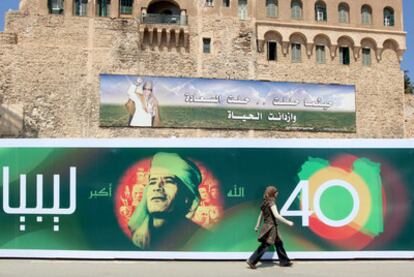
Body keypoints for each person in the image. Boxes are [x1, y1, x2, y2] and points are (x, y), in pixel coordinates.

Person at [128, 152, 202, 250]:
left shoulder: (200, 238)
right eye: (153, 182)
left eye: (168, 181)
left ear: (186, 197)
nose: (157, 188)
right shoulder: (134, 239)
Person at [246, 186, 294, 269]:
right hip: (271, 228)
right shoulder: (272, 202)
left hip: (267, 226)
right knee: (266, 245)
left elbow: (260, 216)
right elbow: (277, 215)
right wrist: (288, 222)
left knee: (279, 243)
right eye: (276, 192)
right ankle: (252, 260)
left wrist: (257, 226)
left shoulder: (264, 203)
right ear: (273, 193)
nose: (277, 193)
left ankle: (284, 261)